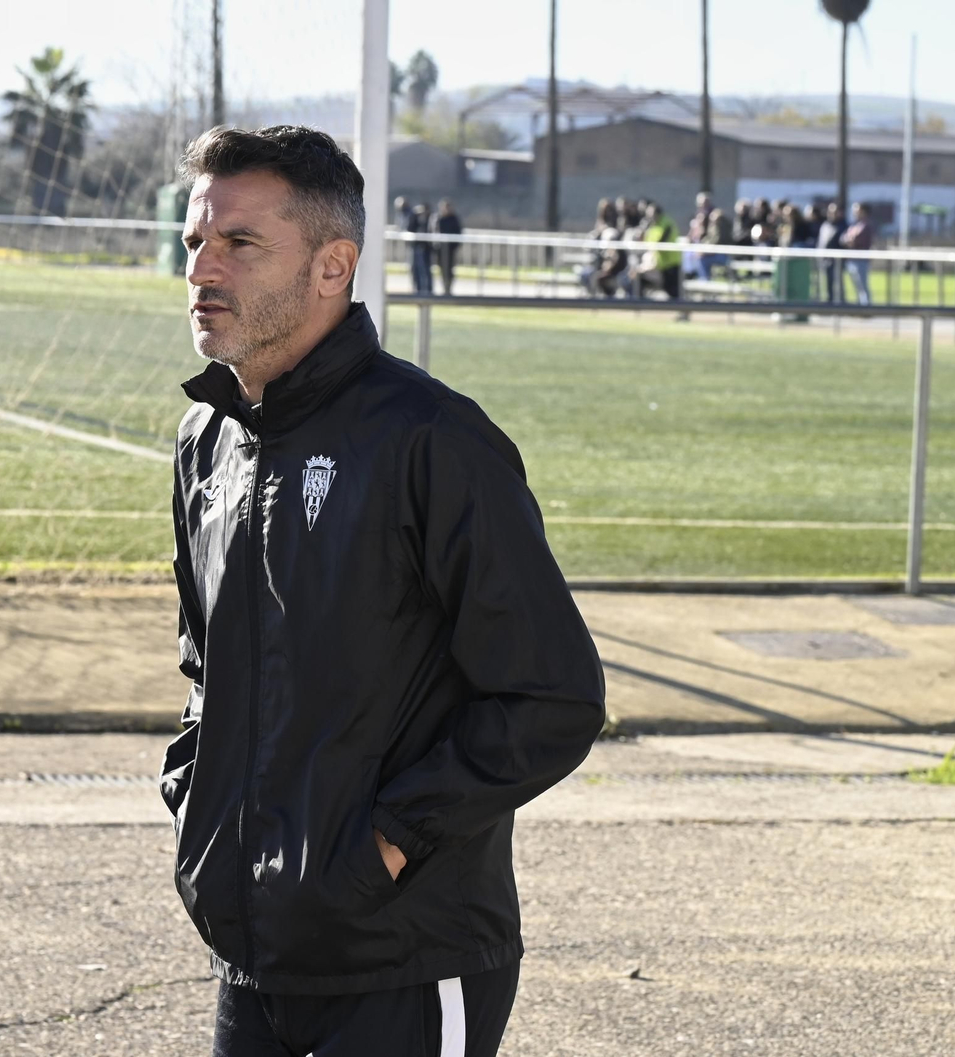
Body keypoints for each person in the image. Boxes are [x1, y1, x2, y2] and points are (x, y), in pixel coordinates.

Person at [164, 124, 605, 1057]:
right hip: (253, 953)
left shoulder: (432, 440)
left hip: (404, 957)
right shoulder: (208, 441)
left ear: (333, 266)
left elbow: (552, 696)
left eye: (240, 242)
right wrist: (196, 802)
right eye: (195, 238)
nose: (202, 267)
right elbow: (208, 666)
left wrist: (385, 846)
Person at [840, 202, 874, 305]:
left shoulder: (866, 226)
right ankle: (860, 307)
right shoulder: (854, 225)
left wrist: (850, 239)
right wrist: (848, 239)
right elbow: (843, 239)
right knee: (857, 287)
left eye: (857, 211)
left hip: (861, 260)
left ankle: (866, 308)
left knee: (863, 287)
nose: (854, 213)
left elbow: (856, 241)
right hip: (851, 260)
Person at [817, 202, 847, 303]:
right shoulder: (825, 225)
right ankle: (828, 303)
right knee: (826, 284)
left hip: (837, 260)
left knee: (838, 284)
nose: (832, 214)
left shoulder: (843, 225)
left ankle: (841, 304)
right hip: (824, 259)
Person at [433, 197, 463, 296]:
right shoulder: (438, 218)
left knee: (449, 269)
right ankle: (444, 287)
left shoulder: (454, 219)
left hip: (450, 249)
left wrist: (453, 246)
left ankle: (448, 288)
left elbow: (458, 233)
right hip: (440, 249)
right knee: (442, 268)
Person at [407, 202, 433, 295]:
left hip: (426, 248)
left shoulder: (430, 219)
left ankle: (428, 290)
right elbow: (410, 228)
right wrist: (415, 215)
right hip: (416, 247)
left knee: (426, 270)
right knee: (415, 269)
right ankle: (417, 289)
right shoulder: (415, 218)